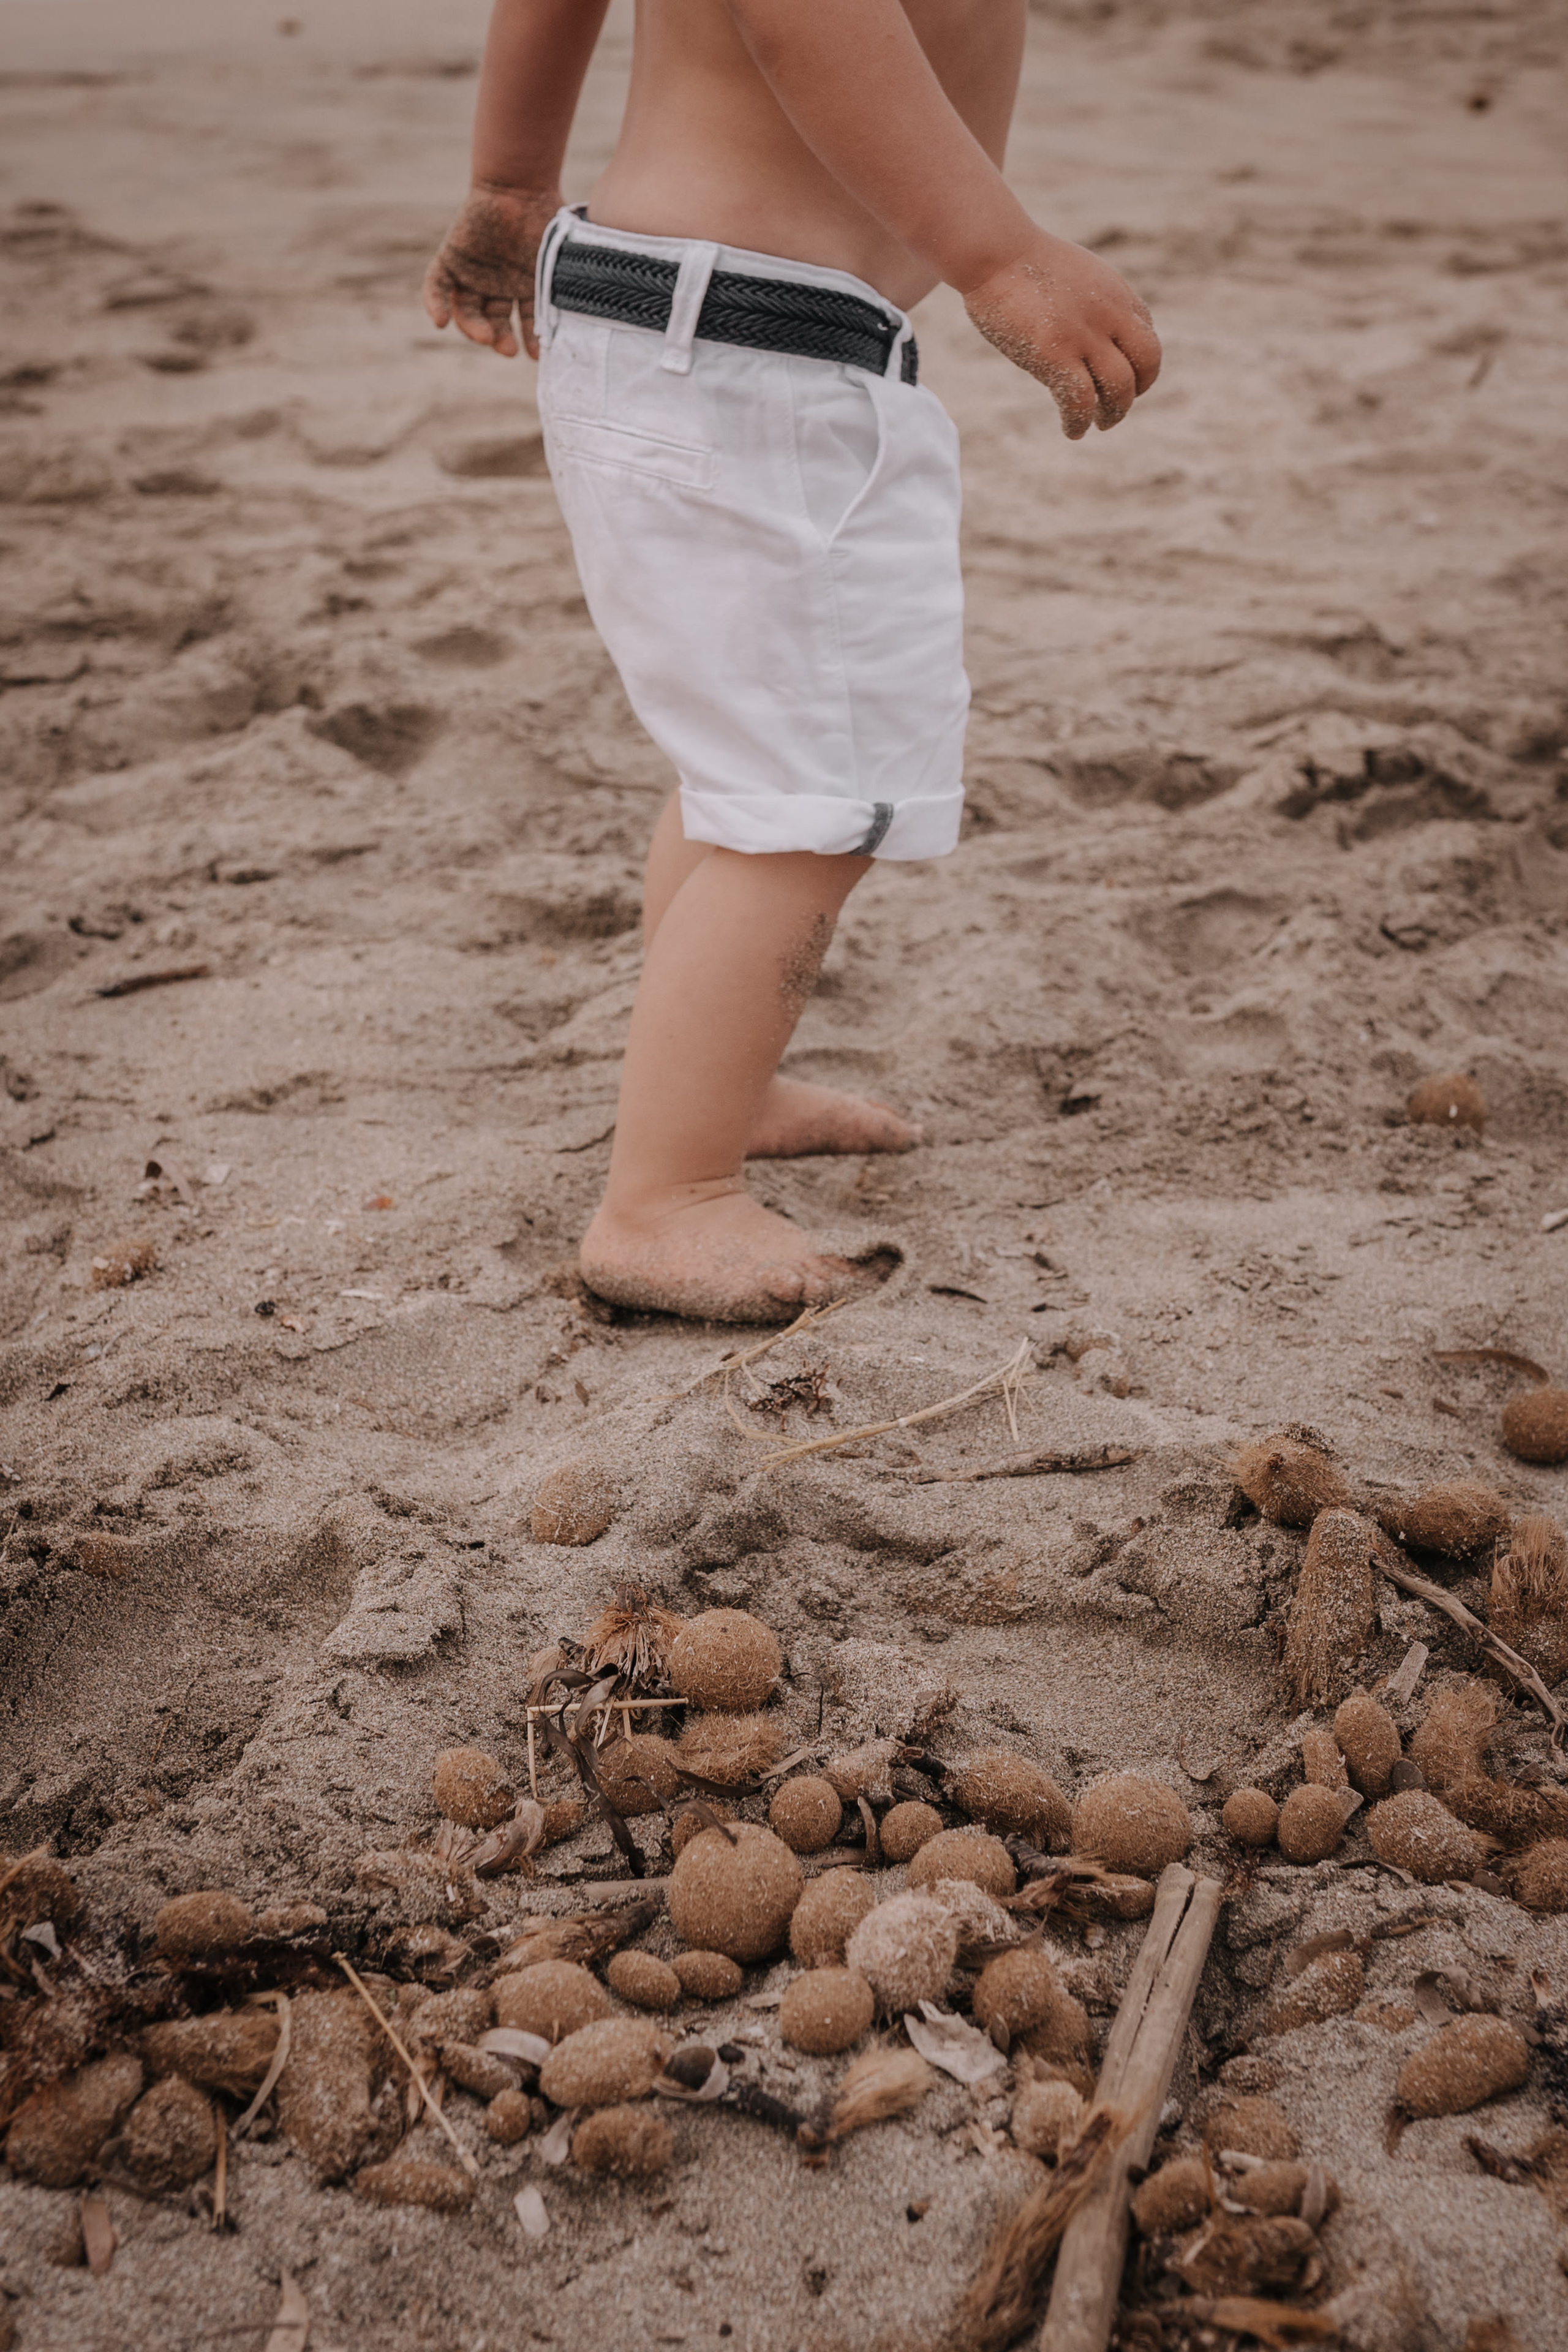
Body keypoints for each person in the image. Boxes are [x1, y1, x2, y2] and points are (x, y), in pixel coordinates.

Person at [425, 0, 1159, 1323]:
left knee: (744, 761)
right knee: (816, 799)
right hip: (754, 355)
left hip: (668, 322)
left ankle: (719, 1092)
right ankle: (664, 1196)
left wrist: (507, 183)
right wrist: (994, 253)